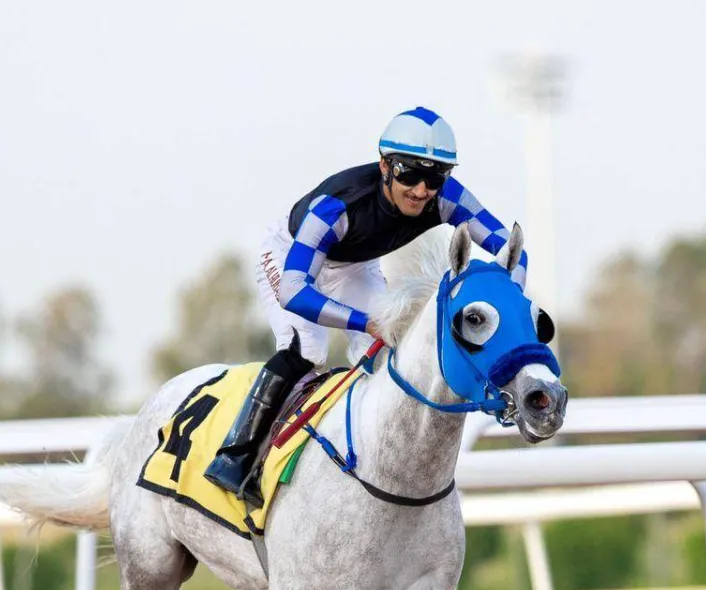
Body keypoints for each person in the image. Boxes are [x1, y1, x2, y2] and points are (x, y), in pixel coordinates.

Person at [204, 106, 530, 504]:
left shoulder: (447, 197)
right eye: (410, 173)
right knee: (309, 349)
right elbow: (292, 290)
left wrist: (510, 302)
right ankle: (237, 454)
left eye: (435, 176)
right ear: (385, 166)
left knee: (389, 349)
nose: (422, 190)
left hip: (355, 265)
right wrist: (362, 322)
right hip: (292, 258)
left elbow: (513, 251)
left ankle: (376, 463)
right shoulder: (335, 207)